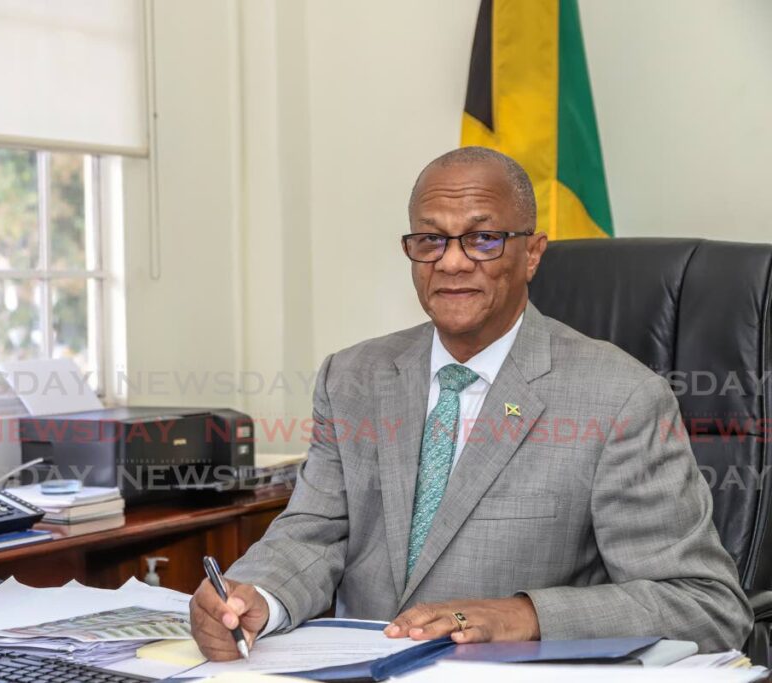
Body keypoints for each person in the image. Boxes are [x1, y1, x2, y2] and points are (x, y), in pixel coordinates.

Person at [189, 146, 753, 660]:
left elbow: (705, 605)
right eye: (430, 239)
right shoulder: (353, 377)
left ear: (532, 254)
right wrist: (253, 596)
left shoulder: (619, 397)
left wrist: (526, 615)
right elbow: (313, 533)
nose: (452, 262)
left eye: (483, 239)